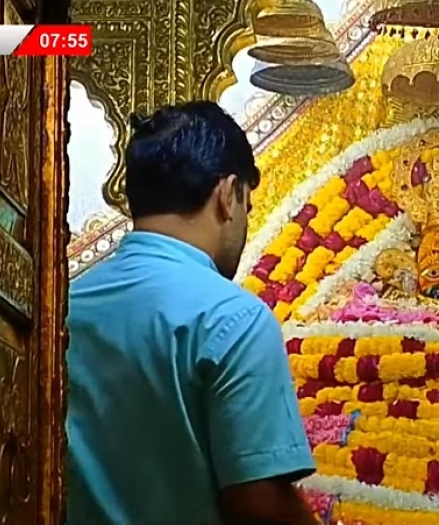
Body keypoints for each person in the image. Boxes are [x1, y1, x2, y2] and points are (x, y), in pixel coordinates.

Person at [66, 101, 318, 525]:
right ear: (228, 195)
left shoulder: (65, 309)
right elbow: (259, 504)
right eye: (248, 207)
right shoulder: (234, 319)